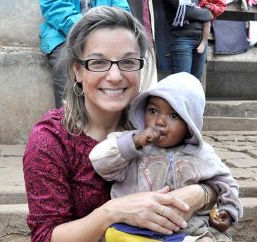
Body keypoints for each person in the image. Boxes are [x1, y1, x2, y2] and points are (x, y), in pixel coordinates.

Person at [23, 7, 218, 242]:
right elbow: (45, 237)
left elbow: (207, 171)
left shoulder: (156, 122)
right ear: (77, 70)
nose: (115, 76)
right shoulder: (50, 140)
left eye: (127, 62)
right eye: (98, 62)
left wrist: (202, 193)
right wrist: (111, 212)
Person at [90, 72, 243, 241]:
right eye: (153, 111)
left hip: (187, 229)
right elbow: (100, 163)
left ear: (190, 124)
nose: (160, 121)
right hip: (133, 228)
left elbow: (226, 184)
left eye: (174, 115)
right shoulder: (131, 143)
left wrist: (227, 211)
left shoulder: (202, 154)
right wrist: (134, 143)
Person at [38, 0, 131, 108]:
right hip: (63, 36)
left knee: (123, 62)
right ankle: (67, 118)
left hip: (105, 35)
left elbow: (122, 10)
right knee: (66, 64)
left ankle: (113, 118)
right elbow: (54, 6)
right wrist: (87, 29)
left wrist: (104, 32)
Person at [162, 0, 226, 80]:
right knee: (182, 80)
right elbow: (187, 11)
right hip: (182, 38)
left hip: (201, 38)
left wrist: (204, 12)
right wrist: (207, 13)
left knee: (196, 80)